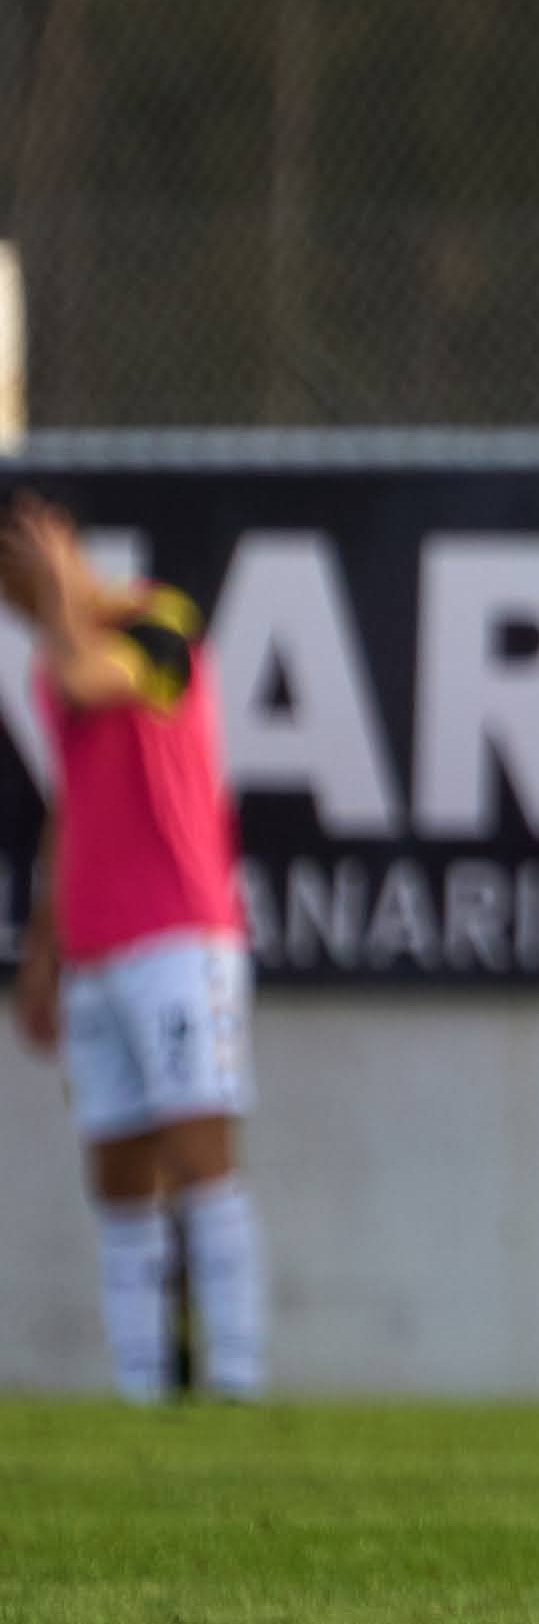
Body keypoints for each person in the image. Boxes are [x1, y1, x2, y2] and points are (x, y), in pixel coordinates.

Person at [3, 496, 263, 1402]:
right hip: (99, 949)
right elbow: (71, 809)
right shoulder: (46, 661)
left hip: (181, 936)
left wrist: (62, 585)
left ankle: (238, 1380)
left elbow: (90, 678)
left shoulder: (161, 620)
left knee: (201, 1163)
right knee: (117, 1183)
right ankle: (140, 1391)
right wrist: (44, 951)